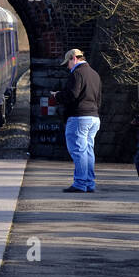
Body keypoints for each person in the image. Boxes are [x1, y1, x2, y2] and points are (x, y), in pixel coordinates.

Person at [50, 48, 102, 192]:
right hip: (94, 117)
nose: (67, 66)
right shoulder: (95, 74)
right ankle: (89, 183)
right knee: (88, 151)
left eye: (68, 63)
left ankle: (80, 183)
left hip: (79, 117)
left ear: (74, 58)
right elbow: (99, 99)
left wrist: (57, 96)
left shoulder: (77, 74)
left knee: (78, 151)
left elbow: (72, 95)